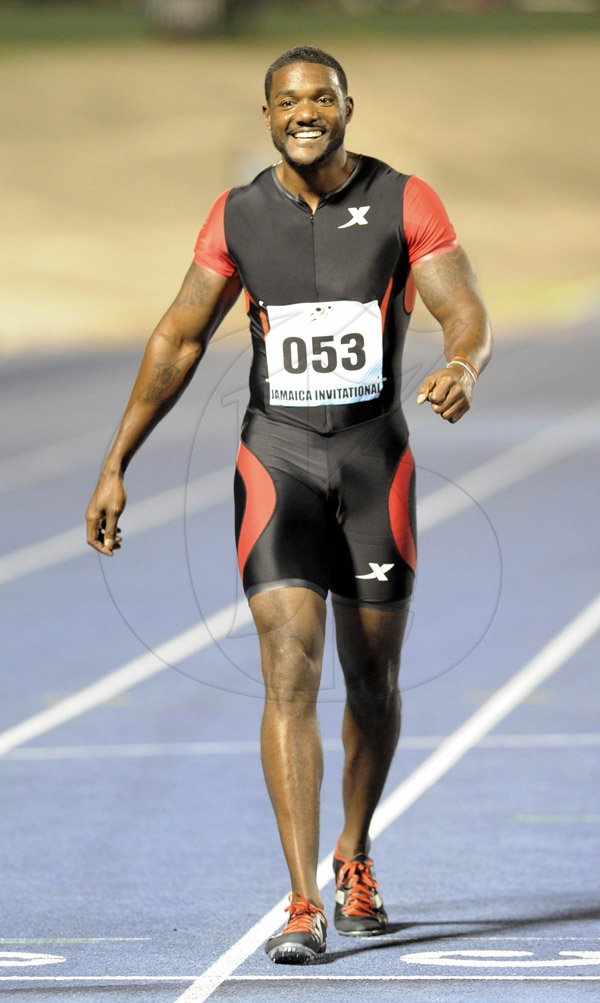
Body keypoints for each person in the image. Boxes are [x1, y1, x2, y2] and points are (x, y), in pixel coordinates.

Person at [85, 45, 492, 964]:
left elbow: (462, 306)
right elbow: (179, 338)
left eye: (320, 97)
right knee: (286, 669)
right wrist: (117, 460)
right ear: (266, 115)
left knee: (375, 679)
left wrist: (462, 361)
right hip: (276, 463)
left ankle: (355, 852)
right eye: (287, 101)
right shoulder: (237, 216)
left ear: (348, 105)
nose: (304, 112)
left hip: (372, 463)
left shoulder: (403, 199)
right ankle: (304, 898)